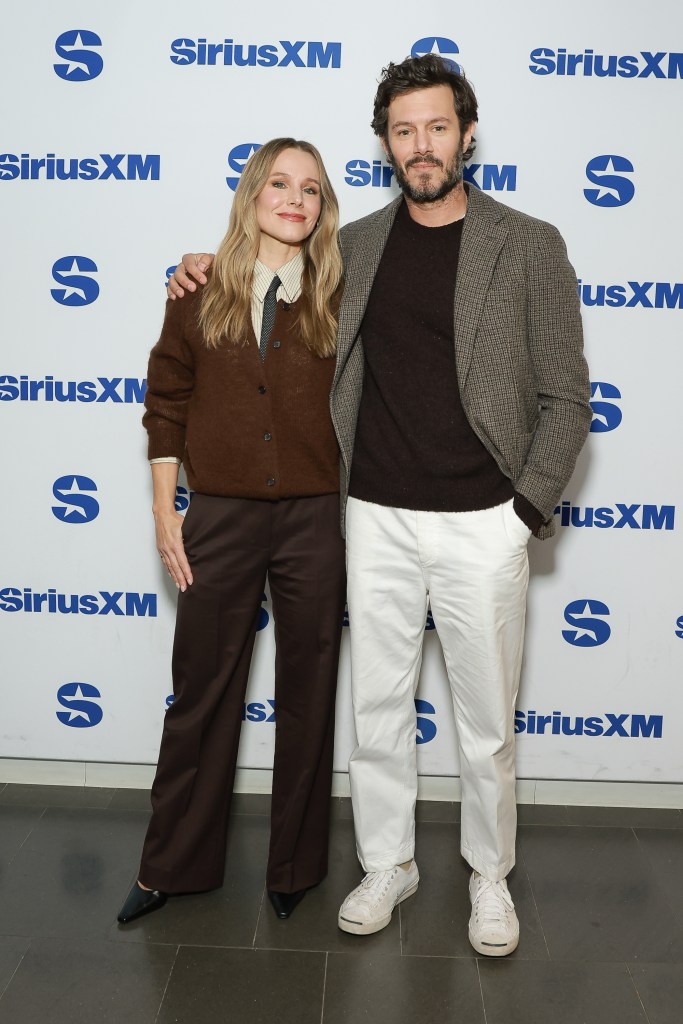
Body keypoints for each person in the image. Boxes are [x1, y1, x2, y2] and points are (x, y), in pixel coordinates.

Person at [167, 54, 591, 956]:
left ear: (466, 134)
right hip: (372, 516)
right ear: (386, 144)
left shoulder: (530, 243)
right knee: (377, 713)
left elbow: (567, 398)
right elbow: (265, 275)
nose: (421, 145)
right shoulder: (351, 243)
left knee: (484, 726)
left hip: (484, 518)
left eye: (437, 127)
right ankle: (388, 862)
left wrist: (522, 511)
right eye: (403, 131)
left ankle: (488, 878)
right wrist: (198, 264)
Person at [117, 138, 346, 925]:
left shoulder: (341, 290)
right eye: (279, 183)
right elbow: (166, 401)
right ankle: (171, 865)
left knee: (310, 694)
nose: (294, 198)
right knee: (201, 695)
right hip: (217, 514)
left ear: (323, 209)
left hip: (318, 516)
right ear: (251, 195)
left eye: (310, 189)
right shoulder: (198, 288)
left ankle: (295, 866)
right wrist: (163, 510)